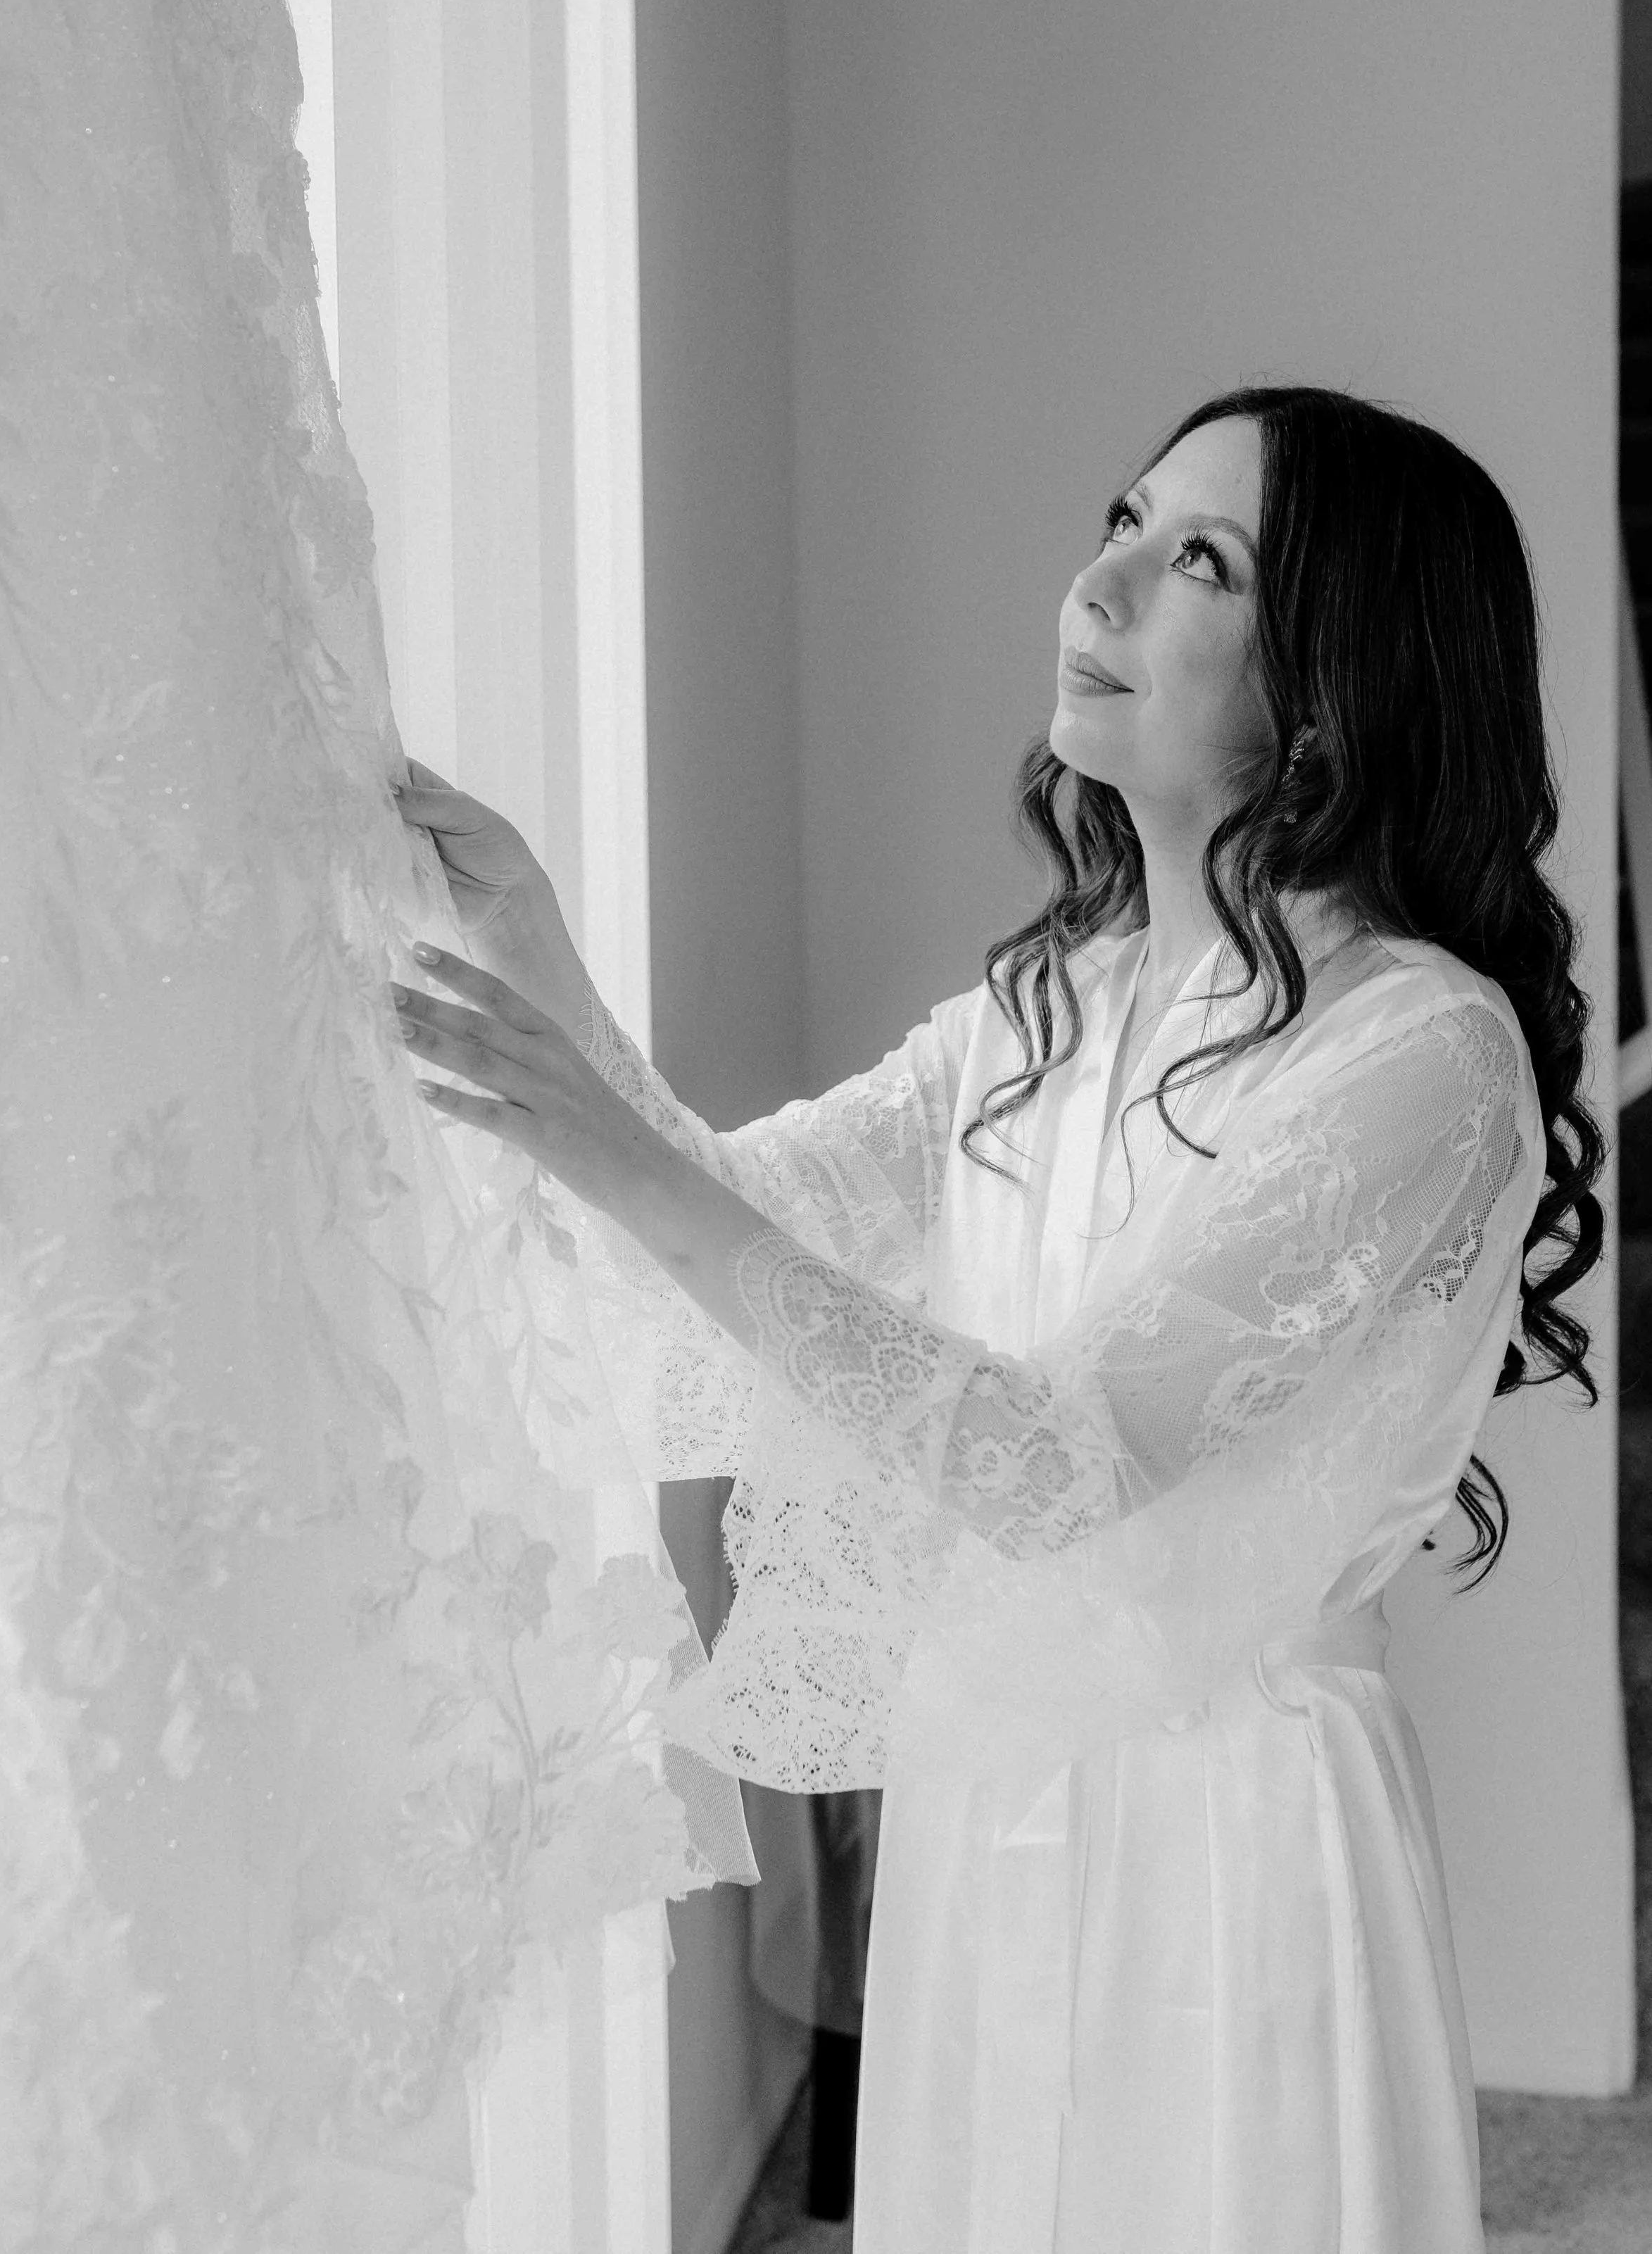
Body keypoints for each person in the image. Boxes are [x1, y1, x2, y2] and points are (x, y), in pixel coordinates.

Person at [389, 384, 1603, 2253]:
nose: (1097, 583)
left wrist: (613, 1152)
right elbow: (743, 1223)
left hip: (1231, 1843)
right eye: (1121, 520)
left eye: (1199, 561)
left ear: (1335, 685)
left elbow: (1060, 1464)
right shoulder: (1048, 1010)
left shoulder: (1423, 1053)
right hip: (993, 1807)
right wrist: (532, 949)